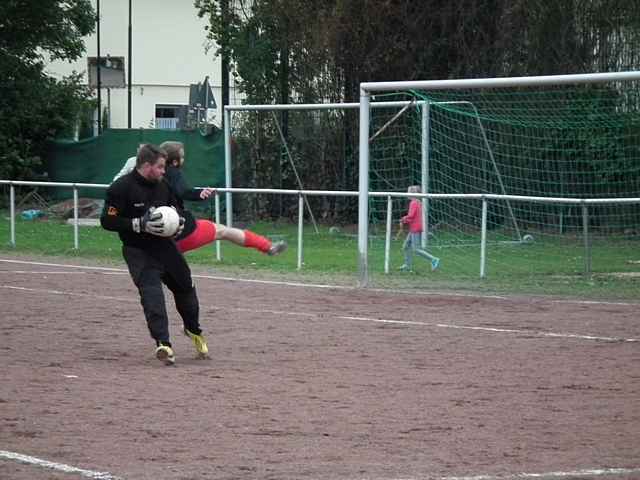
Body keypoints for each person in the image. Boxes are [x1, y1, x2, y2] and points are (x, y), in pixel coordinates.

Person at [100, 143, 208, 366]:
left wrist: (178, 225)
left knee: (185, 288)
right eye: (159, 167)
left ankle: (193, 330)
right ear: (146, 165)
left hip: (165, 247)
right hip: (138, 251)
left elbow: (176, 210)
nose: (163, 171)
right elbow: (107, 220)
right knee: (152, 297)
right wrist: (138, 224)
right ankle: (164, 344)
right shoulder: (121, 188)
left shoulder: (163, 185)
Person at [114, 140, 287, 256]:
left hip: (146, 239)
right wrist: (199, 194)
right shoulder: (173, 173)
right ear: (174, 162)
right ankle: (266, 246)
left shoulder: (144, 178)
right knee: (223, 231)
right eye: (182, 156)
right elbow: (183, 191)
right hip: (179, 233)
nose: (183, 159)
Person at [399, 185, 440, 272]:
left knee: (416, 249)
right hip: (415, 227)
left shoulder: (413, 202)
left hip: (415, 228)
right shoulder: (418, 202)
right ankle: (407, 265)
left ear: (412, 193)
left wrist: (403, 219)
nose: (407, 193)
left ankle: (433, 259)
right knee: (406, 246)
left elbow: (411, 216)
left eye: (408, 192)